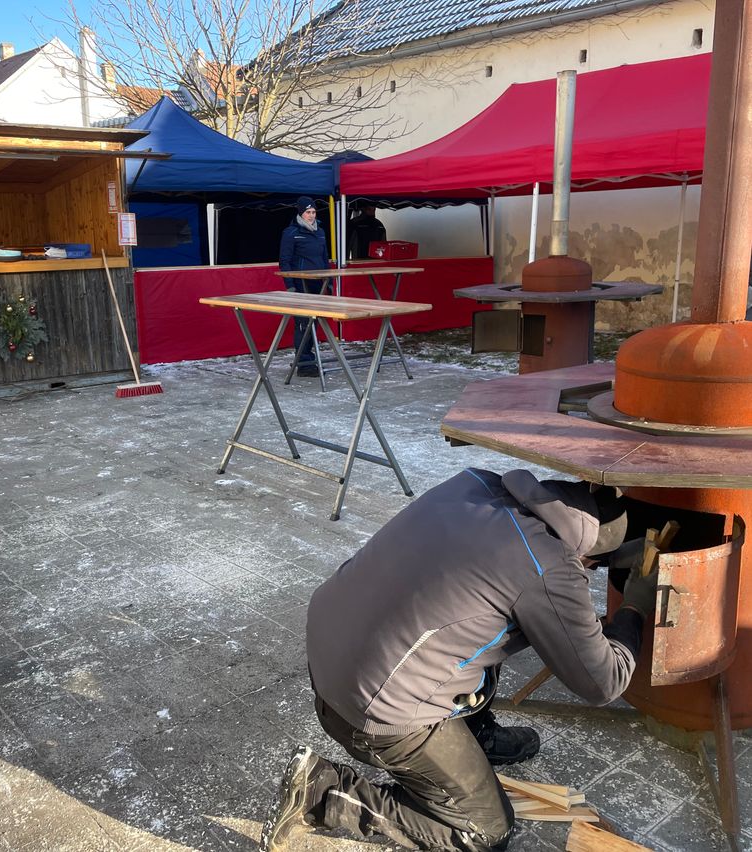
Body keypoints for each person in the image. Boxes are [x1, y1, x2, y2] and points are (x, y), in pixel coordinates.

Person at [260, 467, 657, 852]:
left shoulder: (475, 483)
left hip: (332, 652)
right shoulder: (548, 567)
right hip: (371, 708)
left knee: (480, 613)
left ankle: (475, 736)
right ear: (590, 553)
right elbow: (604, 681)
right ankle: (323, 792)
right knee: (486, 831)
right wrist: (634, 608)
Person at [279, 196, 330, 377]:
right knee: (303, 323)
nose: (311, 215)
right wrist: (290, 286)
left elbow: (324, 259)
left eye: (314, 212)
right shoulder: (291, 233)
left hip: (318, 284)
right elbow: (284, 261)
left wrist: (328, 282)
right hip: (301, 284)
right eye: (308, 212)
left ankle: (309, 356)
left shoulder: (320, 232)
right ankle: (304, 363)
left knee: (314, 322)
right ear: (301, 213)